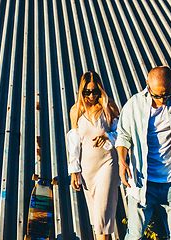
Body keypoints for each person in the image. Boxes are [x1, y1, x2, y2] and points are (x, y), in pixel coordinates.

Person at [115, 66, 171, 240]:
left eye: (166, 94)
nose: (162, 100)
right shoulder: (134, 104)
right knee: (134, 235)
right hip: (143, 182)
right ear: (147, 85)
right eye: (157, 95)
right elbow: (123, 136)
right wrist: (122, 161)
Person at [67, 71, 120, 240]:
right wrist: (74, 170)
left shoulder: (108, 106)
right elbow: (74, 142)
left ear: (100, 90)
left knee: (103, 213)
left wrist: (108, 136)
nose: (91, 95)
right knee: (96, 215)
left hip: (107, 163)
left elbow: (123, 133)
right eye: (87, 92)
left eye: (95, 91)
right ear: (81, 92)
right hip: (87, 169)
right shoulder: (76, 111)